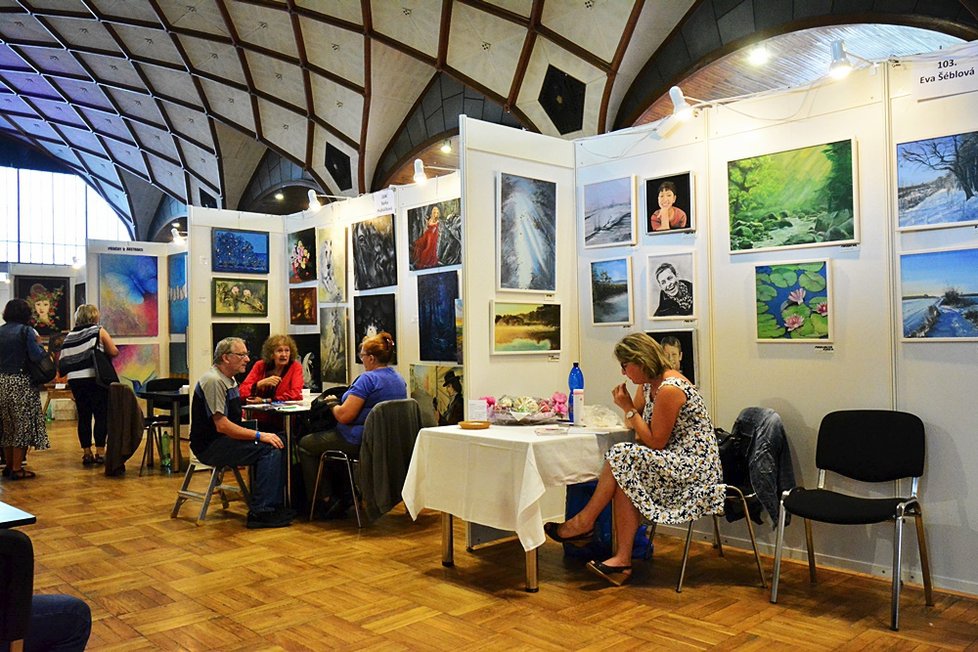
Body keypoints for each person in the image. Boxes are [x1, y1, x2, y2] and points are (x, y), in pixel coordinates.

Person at [544, 333, 723, 586]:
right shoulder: (649, 385)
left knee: (621, 455)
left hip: (692, 466)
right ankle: (621, 560)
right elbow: (635, 421)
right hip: (671, 459)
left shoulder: (670, 389)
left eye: (626, 366)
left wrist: (627, 406)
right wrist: (630, 408)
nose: (624, 373)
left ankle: (584, 523)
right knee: (624, 469)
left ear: (640, 362)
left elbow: (654, 441)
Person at [298, 332, 406, 519]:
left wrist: (332, 403)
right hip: (383, 440)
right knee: (327, 444)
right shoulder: (397, 379)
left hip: (358, 438)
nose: (361, 359)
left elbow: (344, 416)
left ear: (371, 358)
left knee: (306, 444)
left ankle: (324, 500)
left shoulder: (368, 379)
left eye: (362, 355)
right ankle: (345, 494)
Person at [189, 337, 294, 528]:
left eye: (246, 354)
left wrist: (260, 432)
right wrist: (259, 435)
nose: (247, 359)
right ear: (226, 358)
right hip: (211, 445)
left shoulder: (229, 379)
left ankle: (277, 502)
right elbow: (222, 425)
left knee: (282, 439)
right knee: (270, 448)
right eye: (242, 355)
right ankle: (261, 510)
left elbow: (235, 420)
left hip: (224, 439)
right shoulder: (213, 381)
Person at [58, 305, 118, 466]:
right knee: (100, 414)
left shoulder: (70, 336)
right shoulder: (98, 331)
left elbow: (64, 359)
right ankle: (100, 452)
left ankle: (86, 453)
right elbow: (113, 351)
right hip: (94, 378)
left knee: (83, 416)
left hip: (75, 380)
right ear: (94, 316)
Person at [0, 299, 50, 480]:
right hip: (20, 382)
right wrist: (40, 344)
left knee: (7, 427)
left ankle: (7, 465)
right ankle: (16, 468)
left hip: (1, 382)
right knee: (21, 426)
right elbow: (36, 356)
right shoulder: (26, 331)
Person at [239, 334, 304, 430]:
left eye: (287, 350)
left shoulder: (295, 367)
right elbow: (241, 391)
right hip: (258, 418)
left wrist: (266, 400)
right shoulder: (260, 365)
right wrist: (259, 384)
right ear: (271, 354)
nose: (284, 354)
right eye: (279, 351)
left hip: (284, 420)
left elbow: (295, 394)